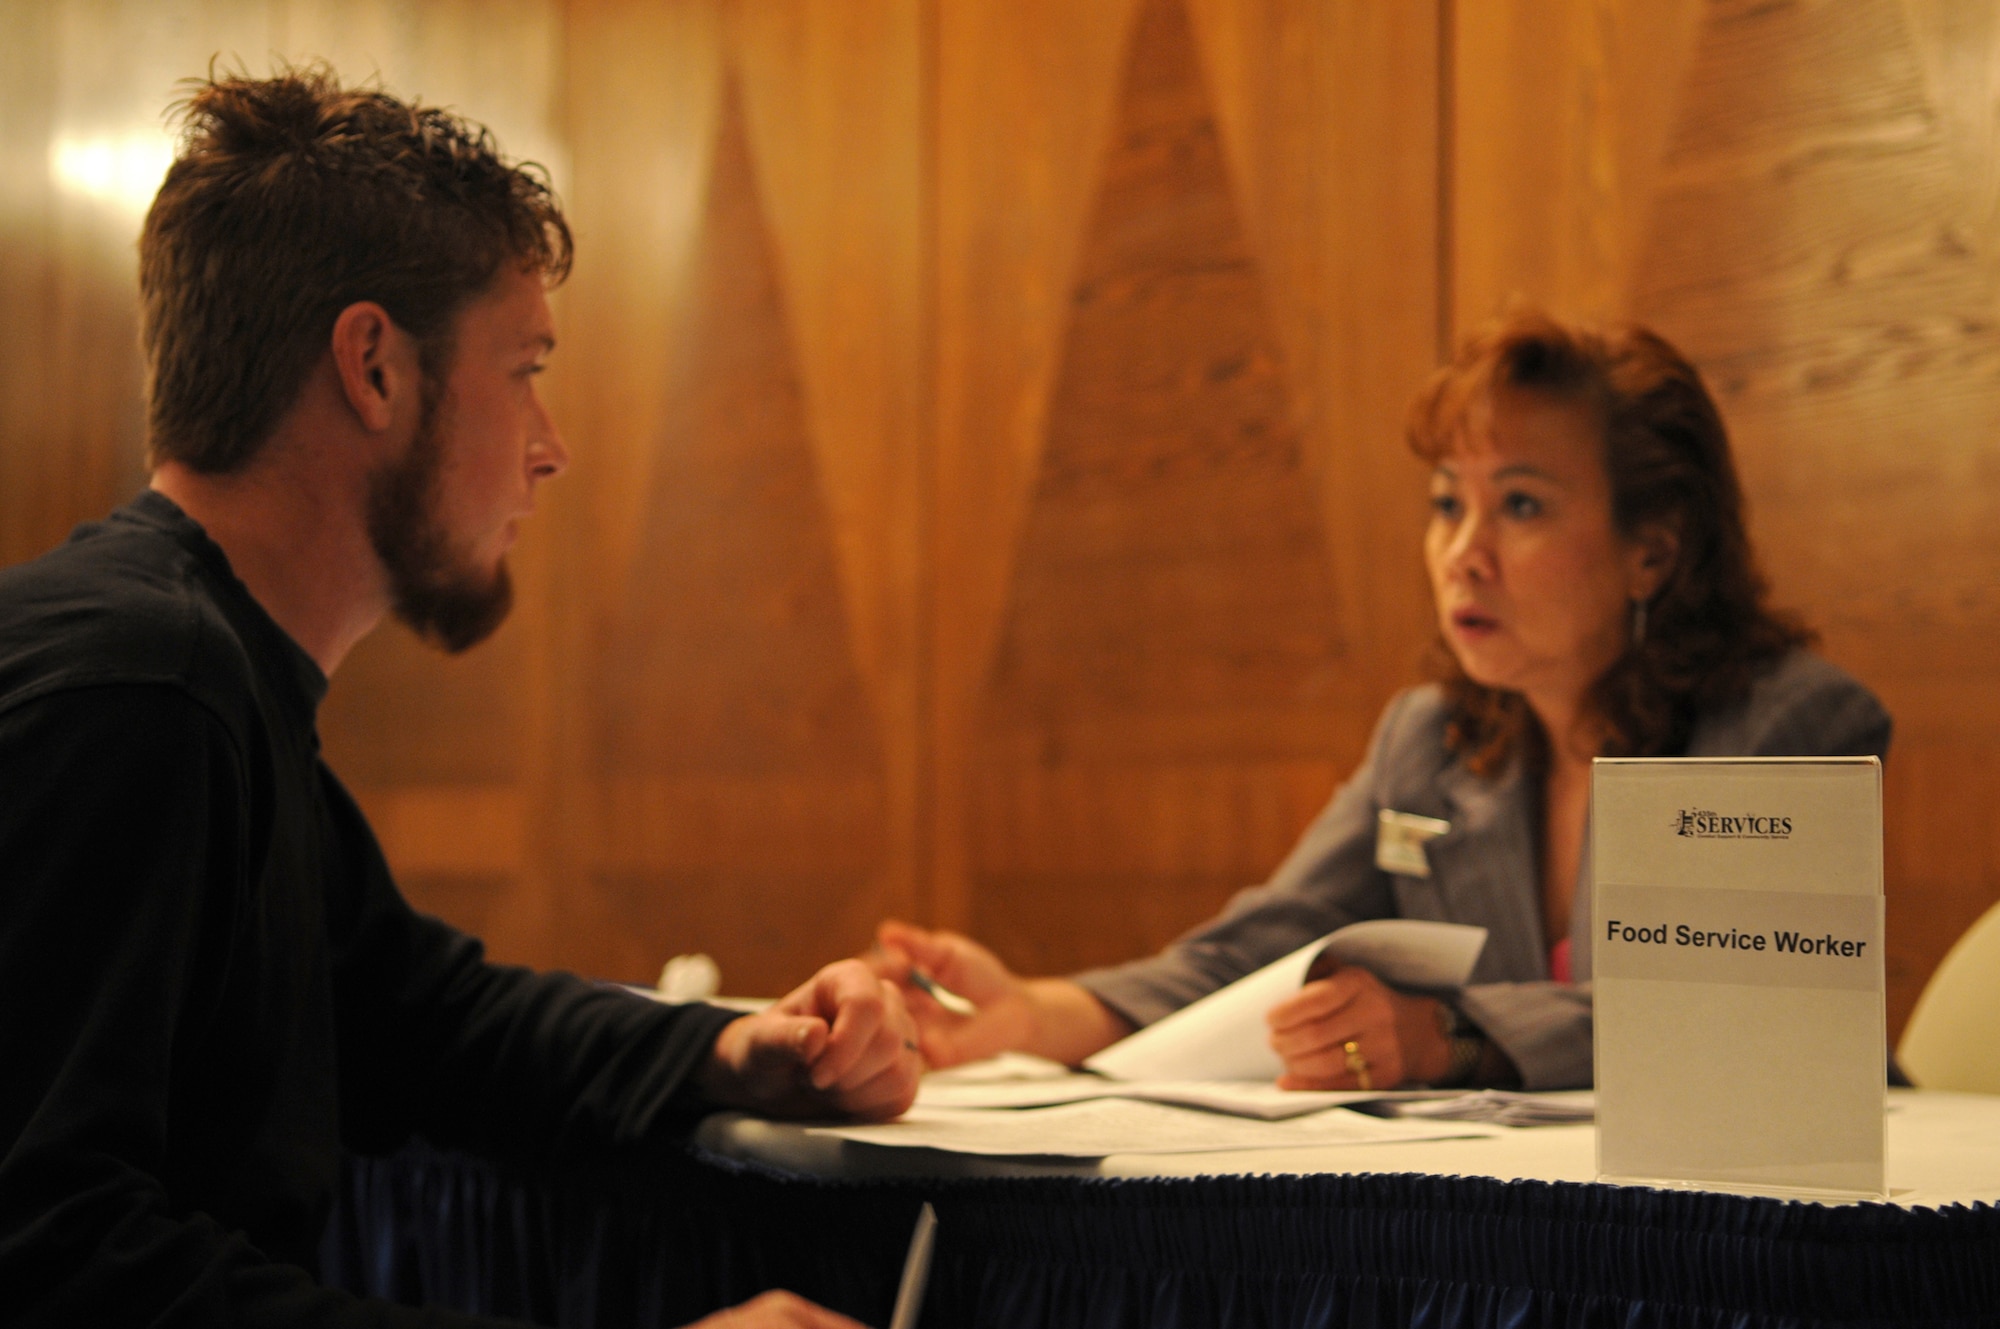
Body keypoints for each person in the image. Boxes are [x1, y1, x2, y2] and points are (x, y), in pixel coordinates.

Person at [0, 69, 918, 1329]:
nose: (550, 445)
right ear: (374, 367)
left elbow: (414, 1019)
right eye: (524, 368)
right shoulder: (143, 694)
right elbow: (51, 1264)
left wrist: (731, 1051)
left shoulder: (204, 672)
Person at [875, 310, 1891, 1094]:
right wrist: (1034, 1015)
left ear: (1651, 550)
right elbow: (1260, 952)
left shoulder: (1783, 730)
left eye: (1521, 506)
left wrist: (1445, 1037)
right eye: (1447, 502)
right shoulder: (1430, 744)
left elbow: (1718, 1017)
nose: (1463, 554)